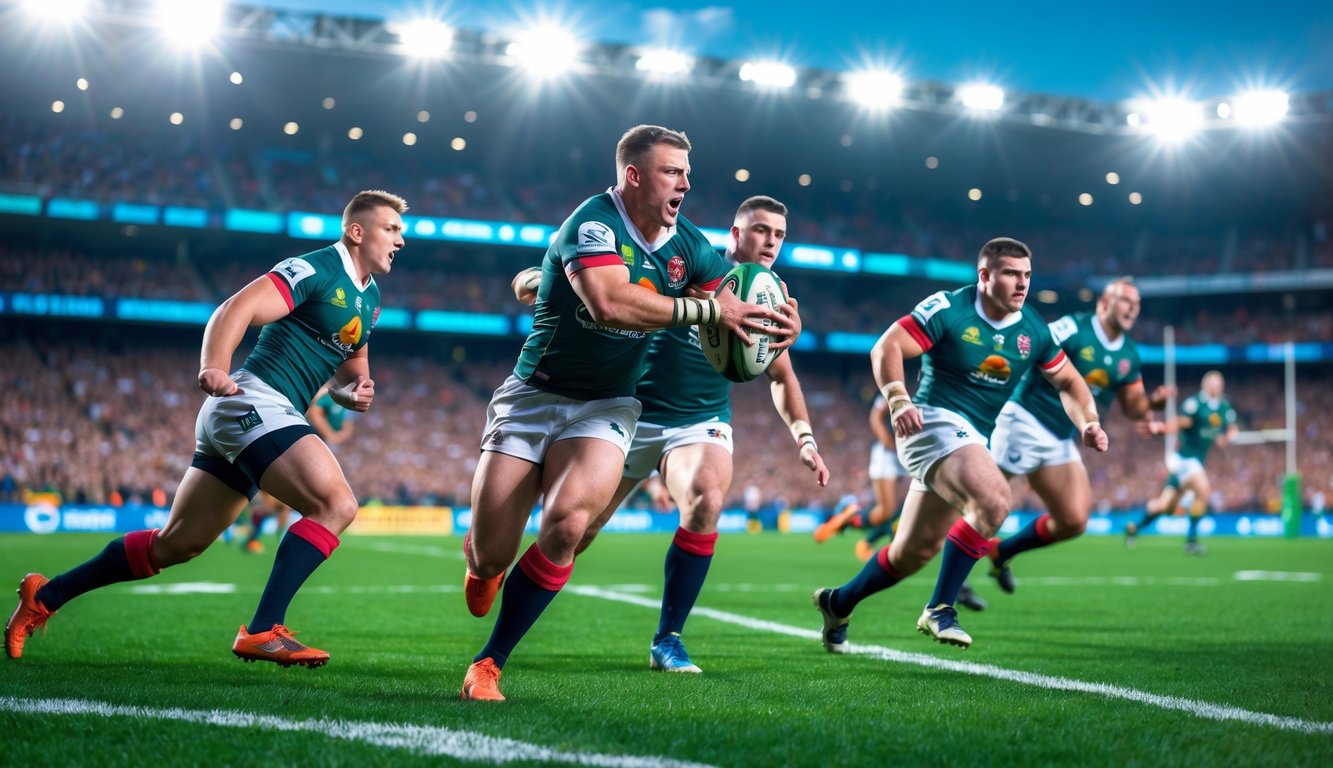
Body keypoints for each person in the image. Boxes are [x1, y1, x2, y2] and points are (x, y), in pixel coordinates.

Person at [459, 126, 797, 702]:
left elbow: (734, 298)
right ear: (634, 176)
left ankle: (488, 663)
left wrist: (777, 327)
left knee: (567, 525)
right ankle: (486, 563)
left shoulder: (688, 244)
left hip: (609, 405)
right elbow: (611, 302)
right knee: (493, 548)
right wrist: (707, 308)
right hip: (533, 397)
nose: (686, 183)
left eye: (688, 173)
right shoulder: (592, 223)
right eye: (673, 172)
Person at [5, 190, 407, 666]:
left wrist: (351, 392)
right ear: (356, 232)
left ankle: (45, 597)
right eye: (391, 229)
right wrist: (214, 366)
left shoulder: (371, 298)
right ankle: (262, 630)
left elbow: (348, 366)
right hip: (253, 400)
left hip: (256, 415)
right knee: (335, 504)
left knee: (176, 544)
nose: (400, 240)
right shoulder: (315, 268)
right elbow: (233, 309)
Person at [549, 195, 830, 675]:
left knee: (706, 500)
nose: (771, 242)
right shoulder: (688, 265)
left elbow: (781, 376)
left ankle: (668, 639)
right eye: (761, 230)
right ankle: (504, 584)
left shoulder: (769, 296)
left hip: (700, 422)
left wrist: (804, 437)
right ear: (736, 234)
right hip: (629, 413)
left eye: (780, 235)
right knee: (575, 532)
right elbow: (618, 297)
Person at [813, 237, 1107, 652]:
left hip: (969, 439)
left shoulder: (1033, 329)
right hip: (931, 422)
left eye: (1026, 275)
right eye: (1010, 274)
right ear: (984, 276)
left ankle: (837, 602)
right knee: (995, 501)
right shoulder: (950, 309)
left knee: (911, 554)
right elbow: (888, 346)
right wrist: (898, 400)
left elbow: (1070, 382)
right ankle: (940, 608)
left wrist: (1089, 421)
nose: (1022, 284)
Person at [982, 277, 1170, 593]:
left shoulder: (1129, 355)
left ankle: (1002, 552)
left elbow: (1133, 408)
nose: (1132, 309)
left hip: (1059, 436)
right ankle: (951, 575)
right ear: (1104, 303)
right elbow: (1031, 346)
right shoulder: (1074, 328)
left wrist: (1154, 404)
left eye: (1137, 305)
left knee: (1073, 519)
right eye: (1126, 301)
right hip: (1024, 420)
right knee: (985, 504)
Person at [814, 397, 987, 610]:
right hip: (890, 452)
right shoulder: (901, 385)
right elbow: (876, 415)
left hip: (922, 448)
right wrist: (885, 438)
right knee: (886, 512)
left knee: (938, 511)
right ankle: (854, 519)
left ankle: (958, 585)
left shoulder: (940, 387)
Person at [1126, 370, 1237, 555]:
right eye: (1213, 383)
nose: (1216, 387)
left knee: (1165, 507)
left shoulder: (1224, 407)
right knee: (1204, 490)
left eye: (1219, 383)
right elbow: (1180, 422)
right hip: (1185, 459)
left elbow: (1232, 428)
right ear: (1205, 384)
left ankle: (1134, 528)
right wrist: (1162, 428)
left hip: (1196, 462)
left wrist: (1228, 437)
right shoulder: (1195, 404)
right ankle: (1191, 541)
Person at [241, 384, 353, 554]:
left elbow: (346, 421)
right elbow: (314, 413)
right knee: (273, 506)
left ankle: (274, 539)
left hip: (296, 448)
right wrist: (332, 435)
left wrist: (340, 434)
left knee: (282, 507)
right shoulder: (320, 395)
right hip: (286, 448)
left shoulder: (337, 397)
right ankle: (251, 537)